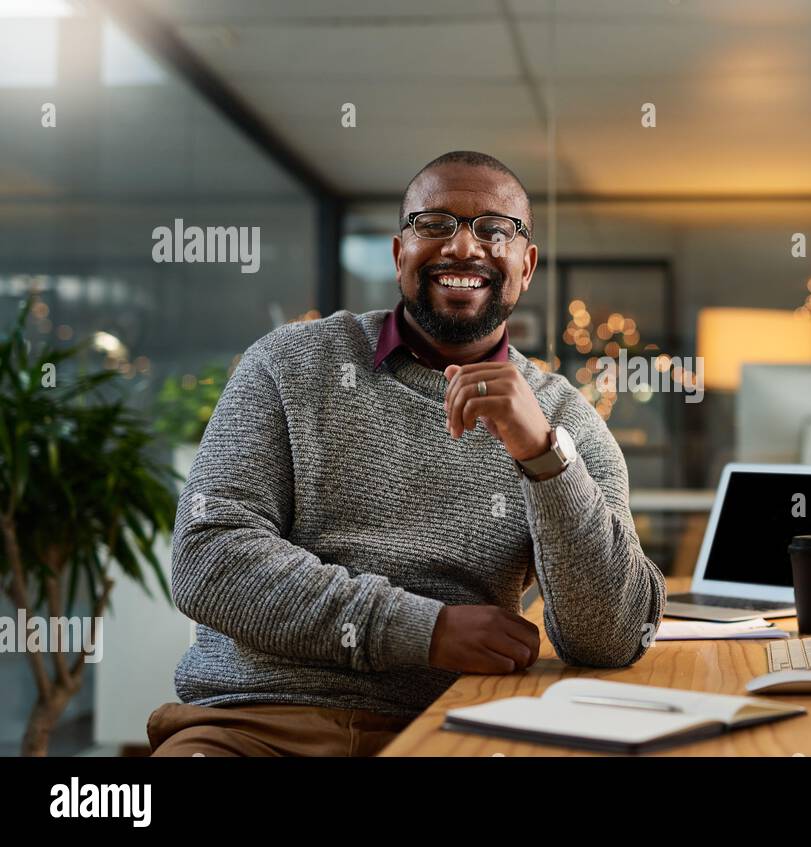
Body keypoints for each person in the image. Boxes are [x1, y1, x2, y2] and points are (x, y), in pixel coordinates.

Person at [147, 151, 666, 757]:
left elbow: (611, 635)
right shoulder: (288, 362)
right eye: (434, 224)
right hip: (258, 724)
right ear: (400, 256)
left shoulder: (565, 421)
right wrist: (427, 630)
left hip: (455, 729)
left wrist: (544, 455)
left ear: (525, 267)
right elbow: (209, 559)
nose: (463, 248)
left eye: (494, 229)